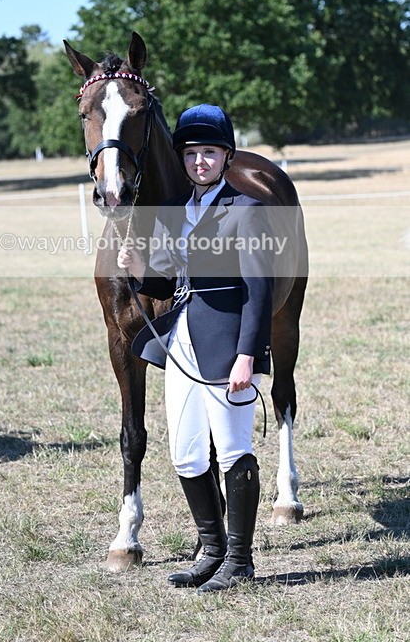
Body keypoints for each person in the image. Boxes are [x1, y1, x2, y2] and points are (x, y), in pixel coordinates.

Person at [117, 104, 273, 594]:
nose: (199, 161)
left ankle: (241, 561)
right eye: (191, 153)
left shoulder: (246, 210)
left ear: (226, 157)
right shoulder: (178, 211)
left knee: (232, 450)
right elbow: (167, 279)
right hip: (179, 342)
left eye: (209, 152)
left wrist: (248, 354)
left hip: (226, 344)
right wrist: (138, 264)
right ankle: (211, 550)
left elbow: (259, 289)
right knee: (186, 453)